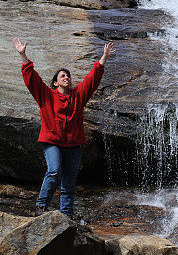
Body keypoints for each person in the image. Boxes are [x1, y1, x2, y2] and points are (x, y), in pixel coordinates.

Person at [12, 37, 116, 218]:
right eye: (62, 76)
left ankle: (66, 216)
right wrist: (23, 55)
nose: (67, 77)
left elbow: (92, 79)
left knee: (68, 183)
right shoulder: (46, 96)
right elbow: (32, 79)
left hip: (74, 145)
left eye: (68, 76)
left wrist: (104, 58)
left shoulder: (78, 96)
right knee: (54, 170)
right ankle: (41, 205)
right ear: (55, 83)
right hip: (52, 141)